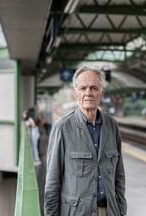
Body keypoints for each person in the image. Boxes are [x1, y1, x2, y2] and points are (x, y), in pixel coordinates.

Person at [44, 66, 127, 216]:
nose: (88, 93)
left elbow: (119, 177)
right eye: (83, 88)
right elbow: (52, 184)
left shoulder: (111, 125)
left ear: (101, 92)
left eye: (94, 88)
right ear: (75, 93)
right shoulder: (62, 128)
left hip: (109, 211)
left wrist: (122, 211)